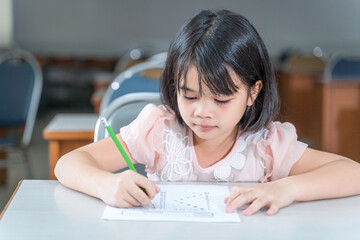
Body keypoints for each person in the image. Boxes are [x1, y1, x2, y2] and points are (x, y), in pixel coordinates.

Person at [55, 9, 360, 216]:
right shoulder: (158, 130)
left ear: (253, 92)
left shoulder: (266, 145)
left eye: (221, 99)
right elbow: (68, 164)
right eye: (189, 95)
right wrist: (106, 185)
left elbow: (353, 173)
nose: (202, 112)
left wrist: (287, 188)